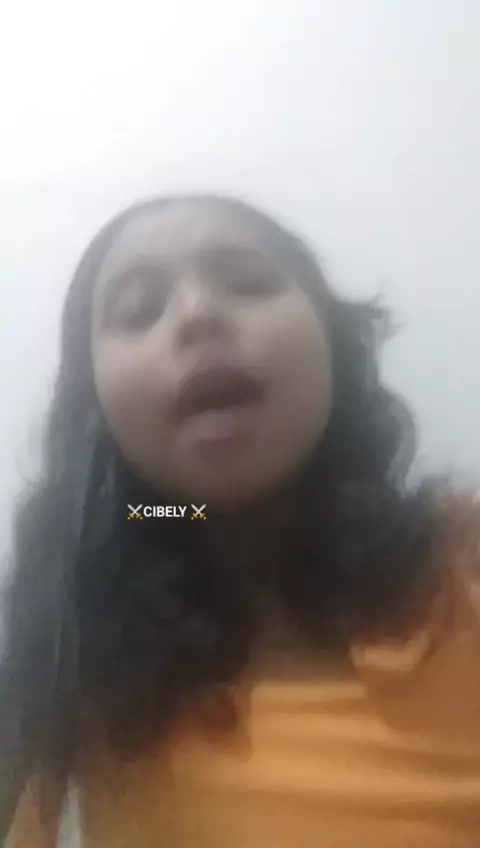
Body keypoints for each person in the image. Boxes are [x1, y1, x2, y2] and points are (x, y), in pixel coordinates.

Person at [2, 194, 480, 848]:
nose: (198, 313)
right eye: (138, 310)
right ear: (97, 406)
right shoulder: (70, 651)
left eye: (249, 281)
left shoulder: (461, 558)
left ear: (332, 344)